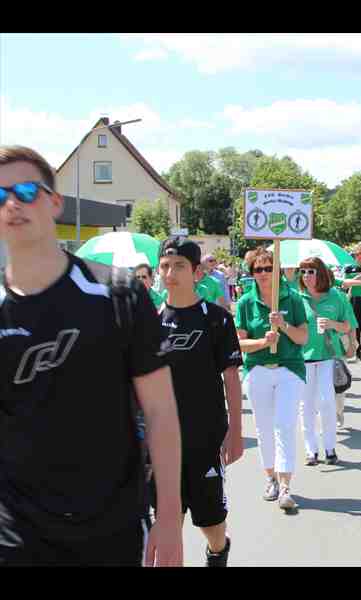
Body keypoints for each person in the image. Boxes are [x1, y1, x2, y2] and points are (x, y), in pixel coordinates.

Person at [0, 145, 183, 566]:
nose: (12, 203)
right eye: (1, 194)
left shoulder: (117, 294)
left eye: (26, 190)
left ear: (55, 202)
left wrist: (169, 518)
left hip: (108, 525)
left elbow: (160, 411)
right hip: (15, 529)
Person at [155, 238, 244, 567]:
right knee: (167, 519)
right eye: (165, 266)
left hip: (205, 436)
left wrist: (235, 431)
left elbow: (231, 378)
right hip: (161, 439)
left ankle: (218, 552)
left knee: (210, 523)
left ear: (196, 272)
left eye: (179, 265)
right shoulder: (149, 321)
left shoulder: (216, 319)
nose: (170, 272)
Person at [234, 247, 309, 512]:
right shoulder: (245, 302)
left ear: (277, 270)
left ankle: (286, 485)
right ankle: (271, 478)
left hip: (290, 369)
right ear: (252, 273)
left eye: (269, 268)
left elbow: (303, 338)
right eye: (258, 269)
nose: (264, 274)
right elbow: (240, 343)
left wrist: (284, 327)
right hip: (257, 370)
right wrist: (263, 341)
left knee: (284, 424)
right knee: (264, 427)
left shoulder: (294, 299)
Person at [297, 257, 356, 466]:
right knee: (306, 405)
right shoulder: (296, 298)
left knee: (326, 401)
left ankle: (330, 447)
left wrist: (333, 324)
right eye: (302, 272)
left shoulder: (337, 297)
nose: (306, 276)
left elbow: (349, 325)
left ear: (320, 273)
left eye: (310, 271)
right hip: (302, 358)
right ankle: (310, 450)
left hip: (328, 356)